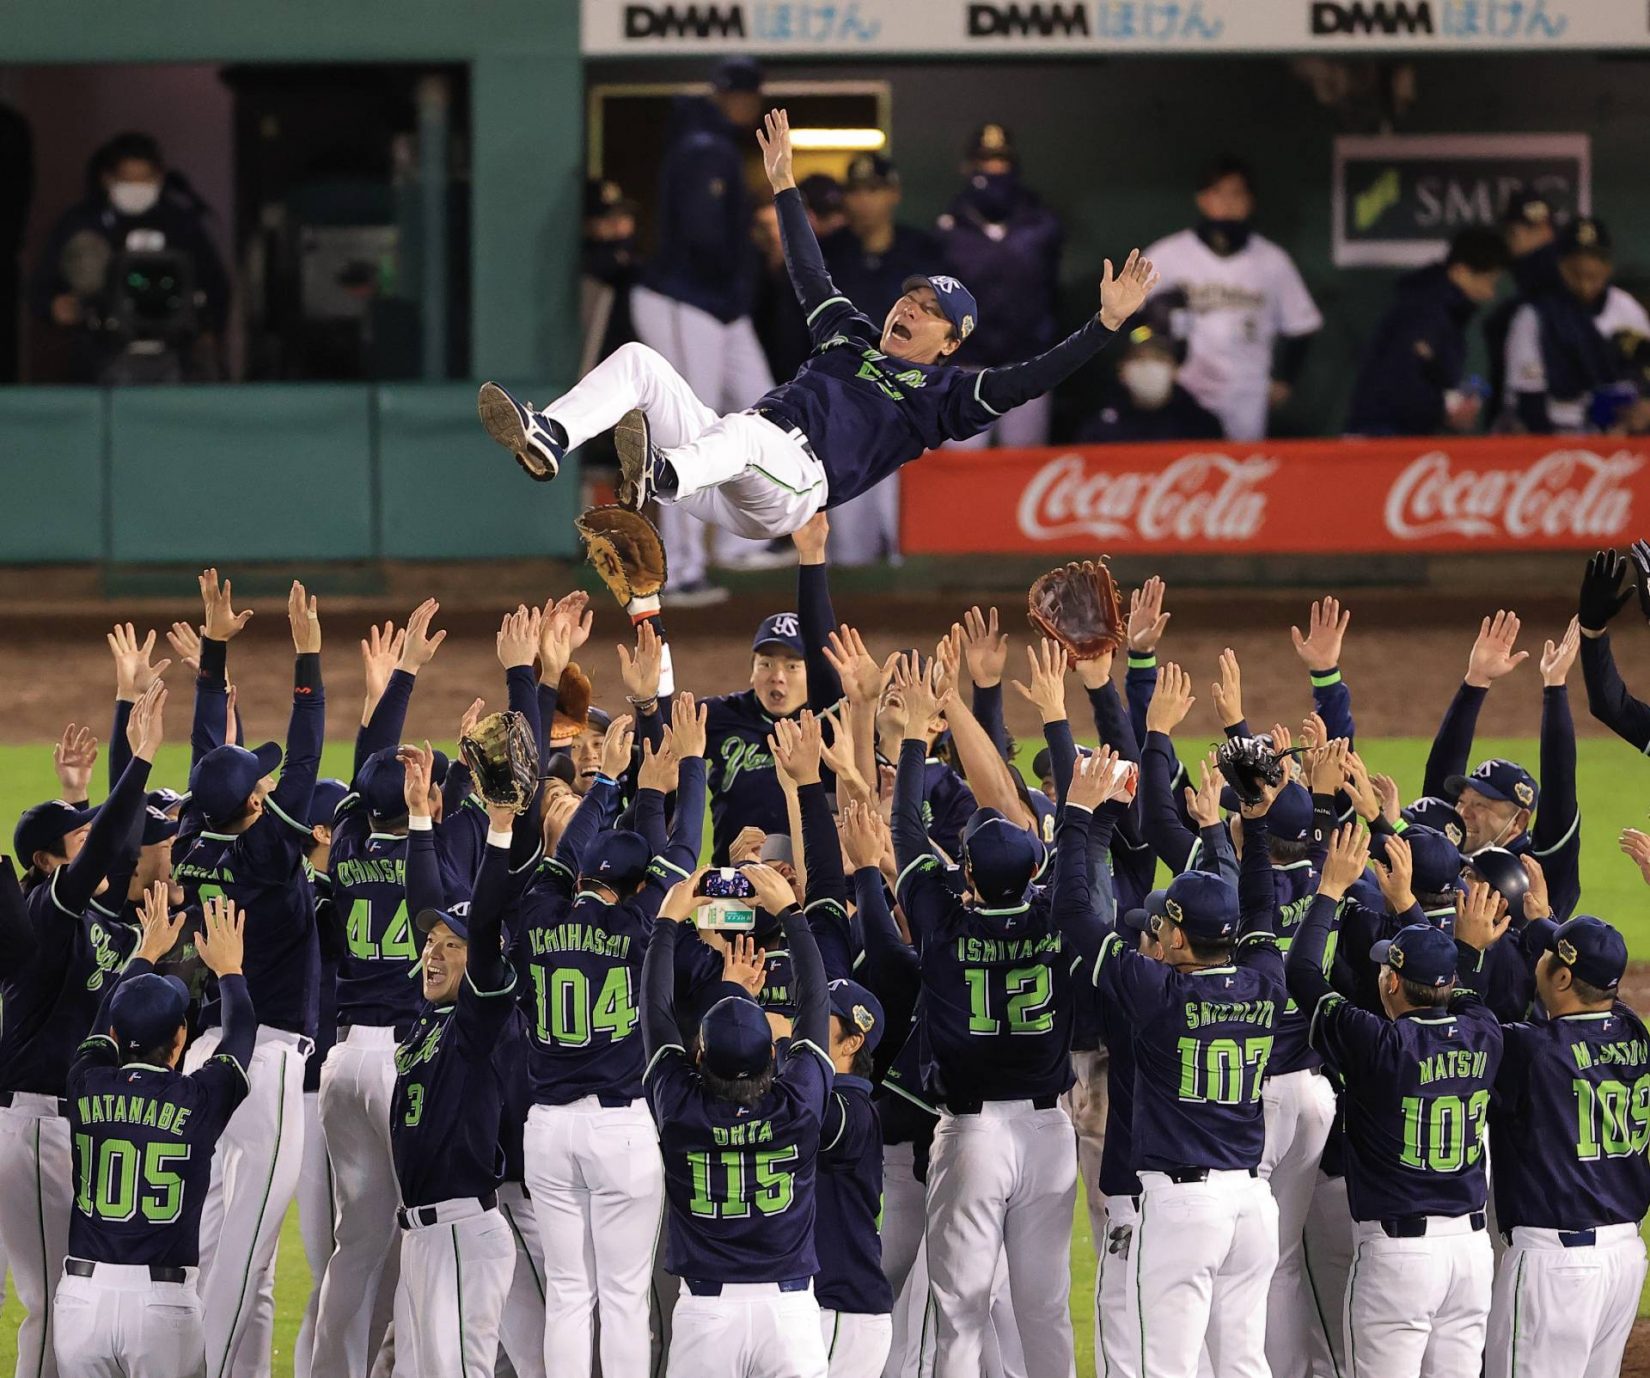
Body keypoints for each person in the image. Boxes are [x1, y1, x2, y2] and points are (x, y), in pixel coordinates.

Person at [477, 109, 1153, 566]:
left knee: (740, 434)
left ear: (950, 342)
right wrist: (784, 185)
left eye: (928, 310)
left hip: (792, 483)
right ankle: (553, 437)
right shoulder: (851, 336)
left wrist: (1106, 326)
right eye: (910, 297)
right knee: (639, 362)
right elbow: (807, 270)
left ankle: (656, 475)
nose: (910, 307)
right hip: (733, 468)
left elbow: (1029, 379)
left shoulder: (943, 395)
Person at [889, 660, 1080, 1378]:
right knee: (1045, 1308)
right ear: (1034, 871)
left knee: (961, 1311)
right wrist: (1058, 716)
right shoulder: (1060, 912)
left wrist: (912, 738)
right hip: (1047, 1133)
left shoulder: (942, 918)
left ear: (965, 874)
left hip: (969, 1135)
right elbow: (1073, 834)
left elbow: (904, 828)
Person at [512, 695, 706, 1378]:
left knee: (568, 1292)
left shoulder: (537, 912)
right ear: (631, 886)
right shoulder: (638, 926)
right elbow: (681, 853)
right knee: (623, 1298)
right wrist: (692, 768)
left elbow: (563, 851)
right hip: (619, 1129)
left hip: (545, 1129)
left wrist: (605, 786)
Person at [170, 577, 324, 1378]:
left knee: (232, 1244)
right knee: (246, 1244)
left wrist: (215, 655)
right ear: (257, 806)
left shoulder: (200, 836)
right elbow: (304, 760)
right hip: (263, 1064)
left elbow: (207, 758)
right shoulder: (267, 854)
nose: (270, 785)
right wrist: (307, 658)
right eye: (259, 787)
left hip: (213, 1053)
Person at [1287, 827, 1507, 1377]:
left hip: (1399, 1259)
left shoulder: (1377, 1043)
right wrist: (1411, 908)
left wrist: (1330, 890)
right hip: (1469, 1254)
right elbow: (1458, 982)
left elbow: (1301, 973)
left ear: (1389, 983)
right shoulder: (1485, 1030)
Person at [2, 682, 165, 1378]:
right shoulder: (46, 908)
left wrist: (119, 725)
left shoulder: (91, 913)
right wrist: (142, 761)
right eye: (75, 835)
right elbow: (102, 853)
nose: (96, 839)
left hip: (69, 1126)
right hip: (34, 1127)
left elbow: (116, 849)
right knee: (50, 1299)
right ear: (47, 861)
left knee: (77, 1291)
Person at [641, 861, 836, 1378]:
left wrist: (667, 921)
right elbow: (816, 1002)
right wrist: (791, 914)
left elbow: (656, 1014)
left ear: (698, 1056)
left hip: (708, 1315)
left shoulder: (680, 1109)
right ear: (775, 1056)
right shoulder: (798, 1106)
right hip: (790, 1314)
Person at [54, 892, 251, 1378]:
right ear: (181, 1038)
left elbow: (103, 1024)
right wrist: (230, 970)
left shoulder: (84, 1082)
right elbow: (240, 1035)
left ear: (116, 1036)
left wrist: (143, 953)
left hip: (81, 1301)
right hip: (162, 1307)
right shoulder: (200, 1098)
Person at [388, 753, 522, 1376]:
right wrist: (419, 820)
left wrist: (499, 830)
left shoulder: (479, 1022)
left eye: (451, 947)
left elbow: (488, 918)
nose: (433, 956)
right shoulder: (428, 1019)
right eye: (429, 945)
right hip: (421, 1238)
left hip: (463, 1234)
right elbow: (425, 899)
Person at [628, 55, 777, 606]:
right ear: (725, 96)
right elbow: (701, 238)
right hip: (683, 299)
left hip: (719, 305)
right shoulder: (701, 147)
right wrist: (752, 249)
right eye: (742, 94)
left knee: (762, 407)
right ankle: (682, 567)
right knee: (688, 429)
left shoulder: (713, 144)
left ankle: (738, 543)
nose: (748, 103)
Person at [1485, 905, 1650, 1378]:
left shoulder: (1530, 1050)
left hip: (1556, 1269)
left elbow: (1468, 1030)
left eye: (1546, 953)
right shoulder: (1632, 1031)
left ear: (1560, 980)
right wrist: (1542, 920)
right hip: (1623, 1260)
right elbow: (1593, 980)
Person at [29, 131, 229, 383]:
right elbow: (41, 289)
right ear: (107, 179)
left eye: (144, 180)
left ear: (159, 177)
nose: (136, 189)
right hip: (101, 352)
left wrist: (208, 333)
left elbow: (216, 287)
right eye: (127, 180)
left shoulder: (182, 225)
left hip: (175, 354)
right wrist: (54, 306)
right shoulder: (81, 224)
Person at [1144, 154, 1321, 441]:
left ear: (1250, 201)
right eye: (1218, 193)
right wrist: (1151, 351)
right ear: (1202, 199)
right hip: (1186, 388)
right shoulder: (1167, 255)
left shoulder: (1272, 260)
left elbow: (1302, 326)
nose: (1227, 203)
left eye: (1236, 193)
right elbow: (1131, 322)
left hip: (1246, 391)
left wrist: (1286, 381)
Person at [935, 123, 1064, 448]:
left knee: (1022, 466)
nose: (993, 169)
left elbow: (1052, 292)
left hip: (1026, 362)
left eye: (1000, 160)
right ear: (968, 166)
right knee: (961, 470)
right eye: (984, 160)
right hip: (965, 365)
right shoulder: (949, 224)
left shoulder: (1041, 221)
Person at [1345, 228, 1509, 436]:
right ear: (1460, 271)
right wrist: (1444, 410)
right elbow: (1399, 384)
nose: (1490, 293)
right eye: (1488, 281)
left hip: (1402, 437)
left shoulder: (1447, 311)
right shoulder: (1423, 310)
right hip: (1379, 440)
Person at [1504, 217, 1650, 434]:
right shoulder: (1535, 315)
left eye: (1593, 275)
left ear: (1608, 268)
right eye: (1575, 274)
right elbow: (1529, 403)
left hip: (1621, 436)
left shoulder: (1626, 309)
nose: (1584, 285)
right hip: (1557, 434)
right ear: (1561, 267)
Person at [1076, 302, 1223, 444]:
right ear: (1122, 370)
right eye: (1139, 358)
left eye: (1158, 358)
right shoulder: (1101, 429)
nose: (1148, 366)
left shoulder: (1201, 426)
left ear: (1175, 368)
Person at [1483, 189, 1561, 430]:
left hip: (1556, 419)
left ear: (1548, 231)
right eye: (1515, 232)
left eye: (1530, 230)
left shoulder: (1559, 288)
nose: (1515, 240)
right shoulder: (1523, 291)